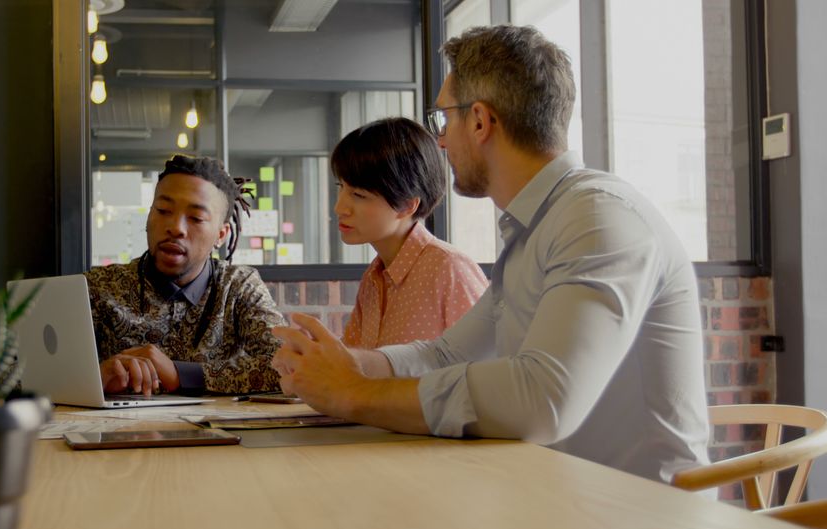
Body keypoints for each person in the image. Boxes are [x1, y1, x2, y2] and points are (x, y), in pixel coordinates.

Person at [272, 25, 711, 484]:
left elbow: (545, 399)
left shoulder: (596, 218)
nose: (439, 141)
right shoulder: (537, 224)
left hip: (637, 524)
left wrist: (353, 393)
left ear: (480, 121)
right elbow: (447, 354)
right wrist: (349, 366)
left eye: (444, 119)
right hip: (555, 499)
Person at [86, 155, 284, 396]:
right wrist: (96, 377)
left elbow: (289, 366)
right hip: (119, 432)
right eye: (163, 210)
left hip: (219, 432)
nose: (176, 228)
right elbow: (37, 375)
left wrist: (181, 374)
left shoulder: (238, 287)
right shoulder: (98, 288)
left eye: (196, 218)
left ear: (221, 235)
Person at [333, 117, 487, 349]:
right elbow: (359, 370)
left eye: (359, 195)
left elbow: (485, 372)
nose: (339, 208)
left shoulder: (449, 270)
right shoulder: (374, 278)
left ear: (407, 205)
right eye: (341, 188)